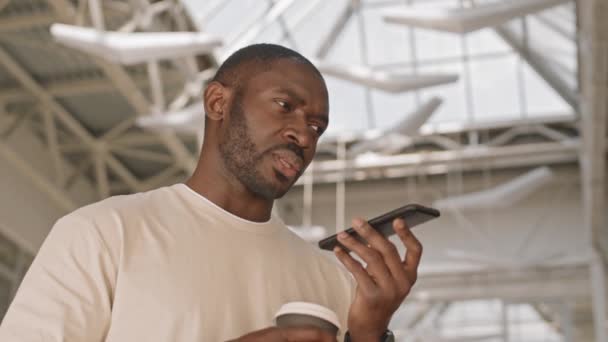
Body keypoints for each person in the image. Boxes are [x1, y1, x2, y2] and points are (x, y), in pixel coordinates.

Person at [0, 44, 423, 342]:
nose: (303, 134)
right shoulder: (102, 234)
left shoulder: (333, 279)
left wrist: (369, 334)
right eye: (285, 106)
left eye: (317, 126)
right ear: (218, 103)